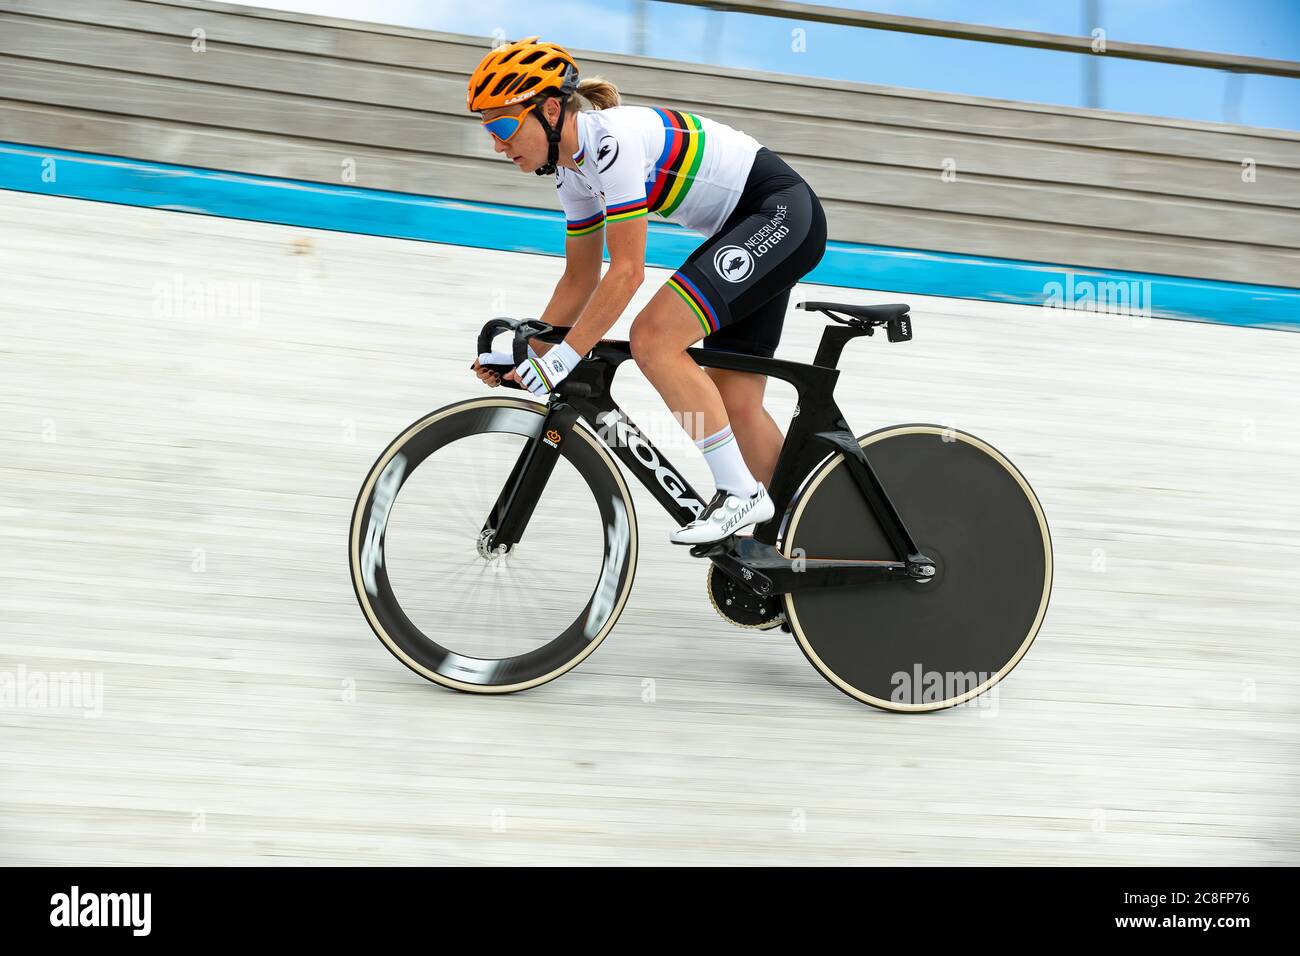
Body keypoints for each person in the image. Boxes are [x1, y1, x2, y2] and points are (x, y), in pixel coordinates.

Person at [469, 37, 827, 544]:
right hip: (748, 227)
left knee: (654, 336)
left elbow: (628, 271)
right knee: (735, 400)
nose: (497, 143)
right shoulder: (572, 174)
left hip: (779, 213)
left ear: (550, 110)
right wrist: (533, 349)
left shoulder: (609, 143)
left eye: (503, 126)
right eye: (489, 130)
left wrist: (562, 357)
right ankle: (809, 539)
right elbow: (580, 278)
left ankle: (739, 493)